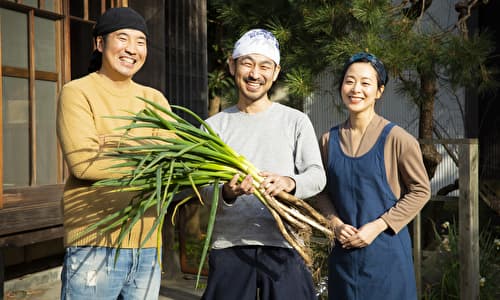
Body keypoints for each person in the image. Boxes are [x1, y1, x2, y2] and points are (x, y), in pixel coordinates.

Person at [200, 29, 326, 300]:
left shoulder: (295, 121)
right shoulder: (212, 128)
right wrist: (227, 192)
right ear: (232, 65)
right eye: (247, 63)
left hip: (285, 245)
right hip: (230, 245)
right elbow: (201, 189)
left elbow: (316, 176)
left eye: (264, 66)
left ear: (276, 71)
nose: (255, 74)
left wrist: (289, 182)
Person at [57, 7, 172, 299]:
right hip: (94, 243)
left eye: (140, 42)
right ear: (100, 43)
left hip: (147, 243)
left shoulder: (155, 99)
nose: (132, 49)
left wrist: (112, 144)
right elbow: (85, 164)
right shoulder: (77, 92)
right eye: (122, 38)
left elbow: (172, 161)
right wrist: (149, 151)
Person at [316, 52, 431, 300]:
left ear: (379, 91)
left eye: (366, 83)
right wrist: (335, 225)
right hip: (344, 259)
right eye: (349, 81)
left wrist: (377, 226)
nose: (356, 89)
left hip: (387, 257)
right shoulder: (328, 140)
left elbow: (421, 191)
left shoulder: (397, 139)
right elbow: (320, 191)